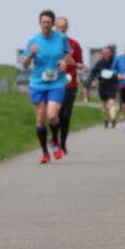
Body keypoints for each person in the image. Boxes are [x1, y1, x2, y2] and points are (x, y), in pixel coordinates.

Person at [20, 10, 72, 163]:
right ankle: (44, 153)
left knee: (52, 115)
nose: (46, 25)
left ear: (53, 24)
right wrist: (31, 54)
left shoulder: (61, 38)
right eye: (43, 22)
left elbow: (68, 54)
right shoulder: (34, 40)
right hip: (38, 84)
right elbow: (24, 64)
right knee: (41, 119)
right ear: (40, 23)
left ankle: (55, 141)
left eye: (49, 22)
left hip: (57, 83)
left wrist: (64, 61)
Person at [54, 16, 85, 154]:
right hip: (53, 84)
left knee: (65, 116)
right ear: (55, 27)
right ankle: (55, 139)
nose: (61, 29)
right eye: (59, 26)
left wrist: (74, 63)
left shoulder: (74, 45)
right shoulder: (50, 43)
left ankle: (63, 143)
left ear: (67, 28)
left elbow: (81, 65)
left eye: (63, 27)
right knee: (54, 115)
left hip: (69, 84)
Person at [90, 45, 120, 128]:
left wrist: (118, 75)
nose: (105, 55)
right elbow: (93, 72)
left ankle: (113, 119)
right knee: (104, 104)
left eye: (107, 53)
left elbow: (119, 71)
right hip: (102, 85)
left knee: (112, 102)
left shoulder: (115, 62)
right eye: (103, 53)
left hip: (112, 85)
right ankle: (106, 120)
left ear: (110, 53)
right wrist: (93, 80)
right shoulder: (100, 63)